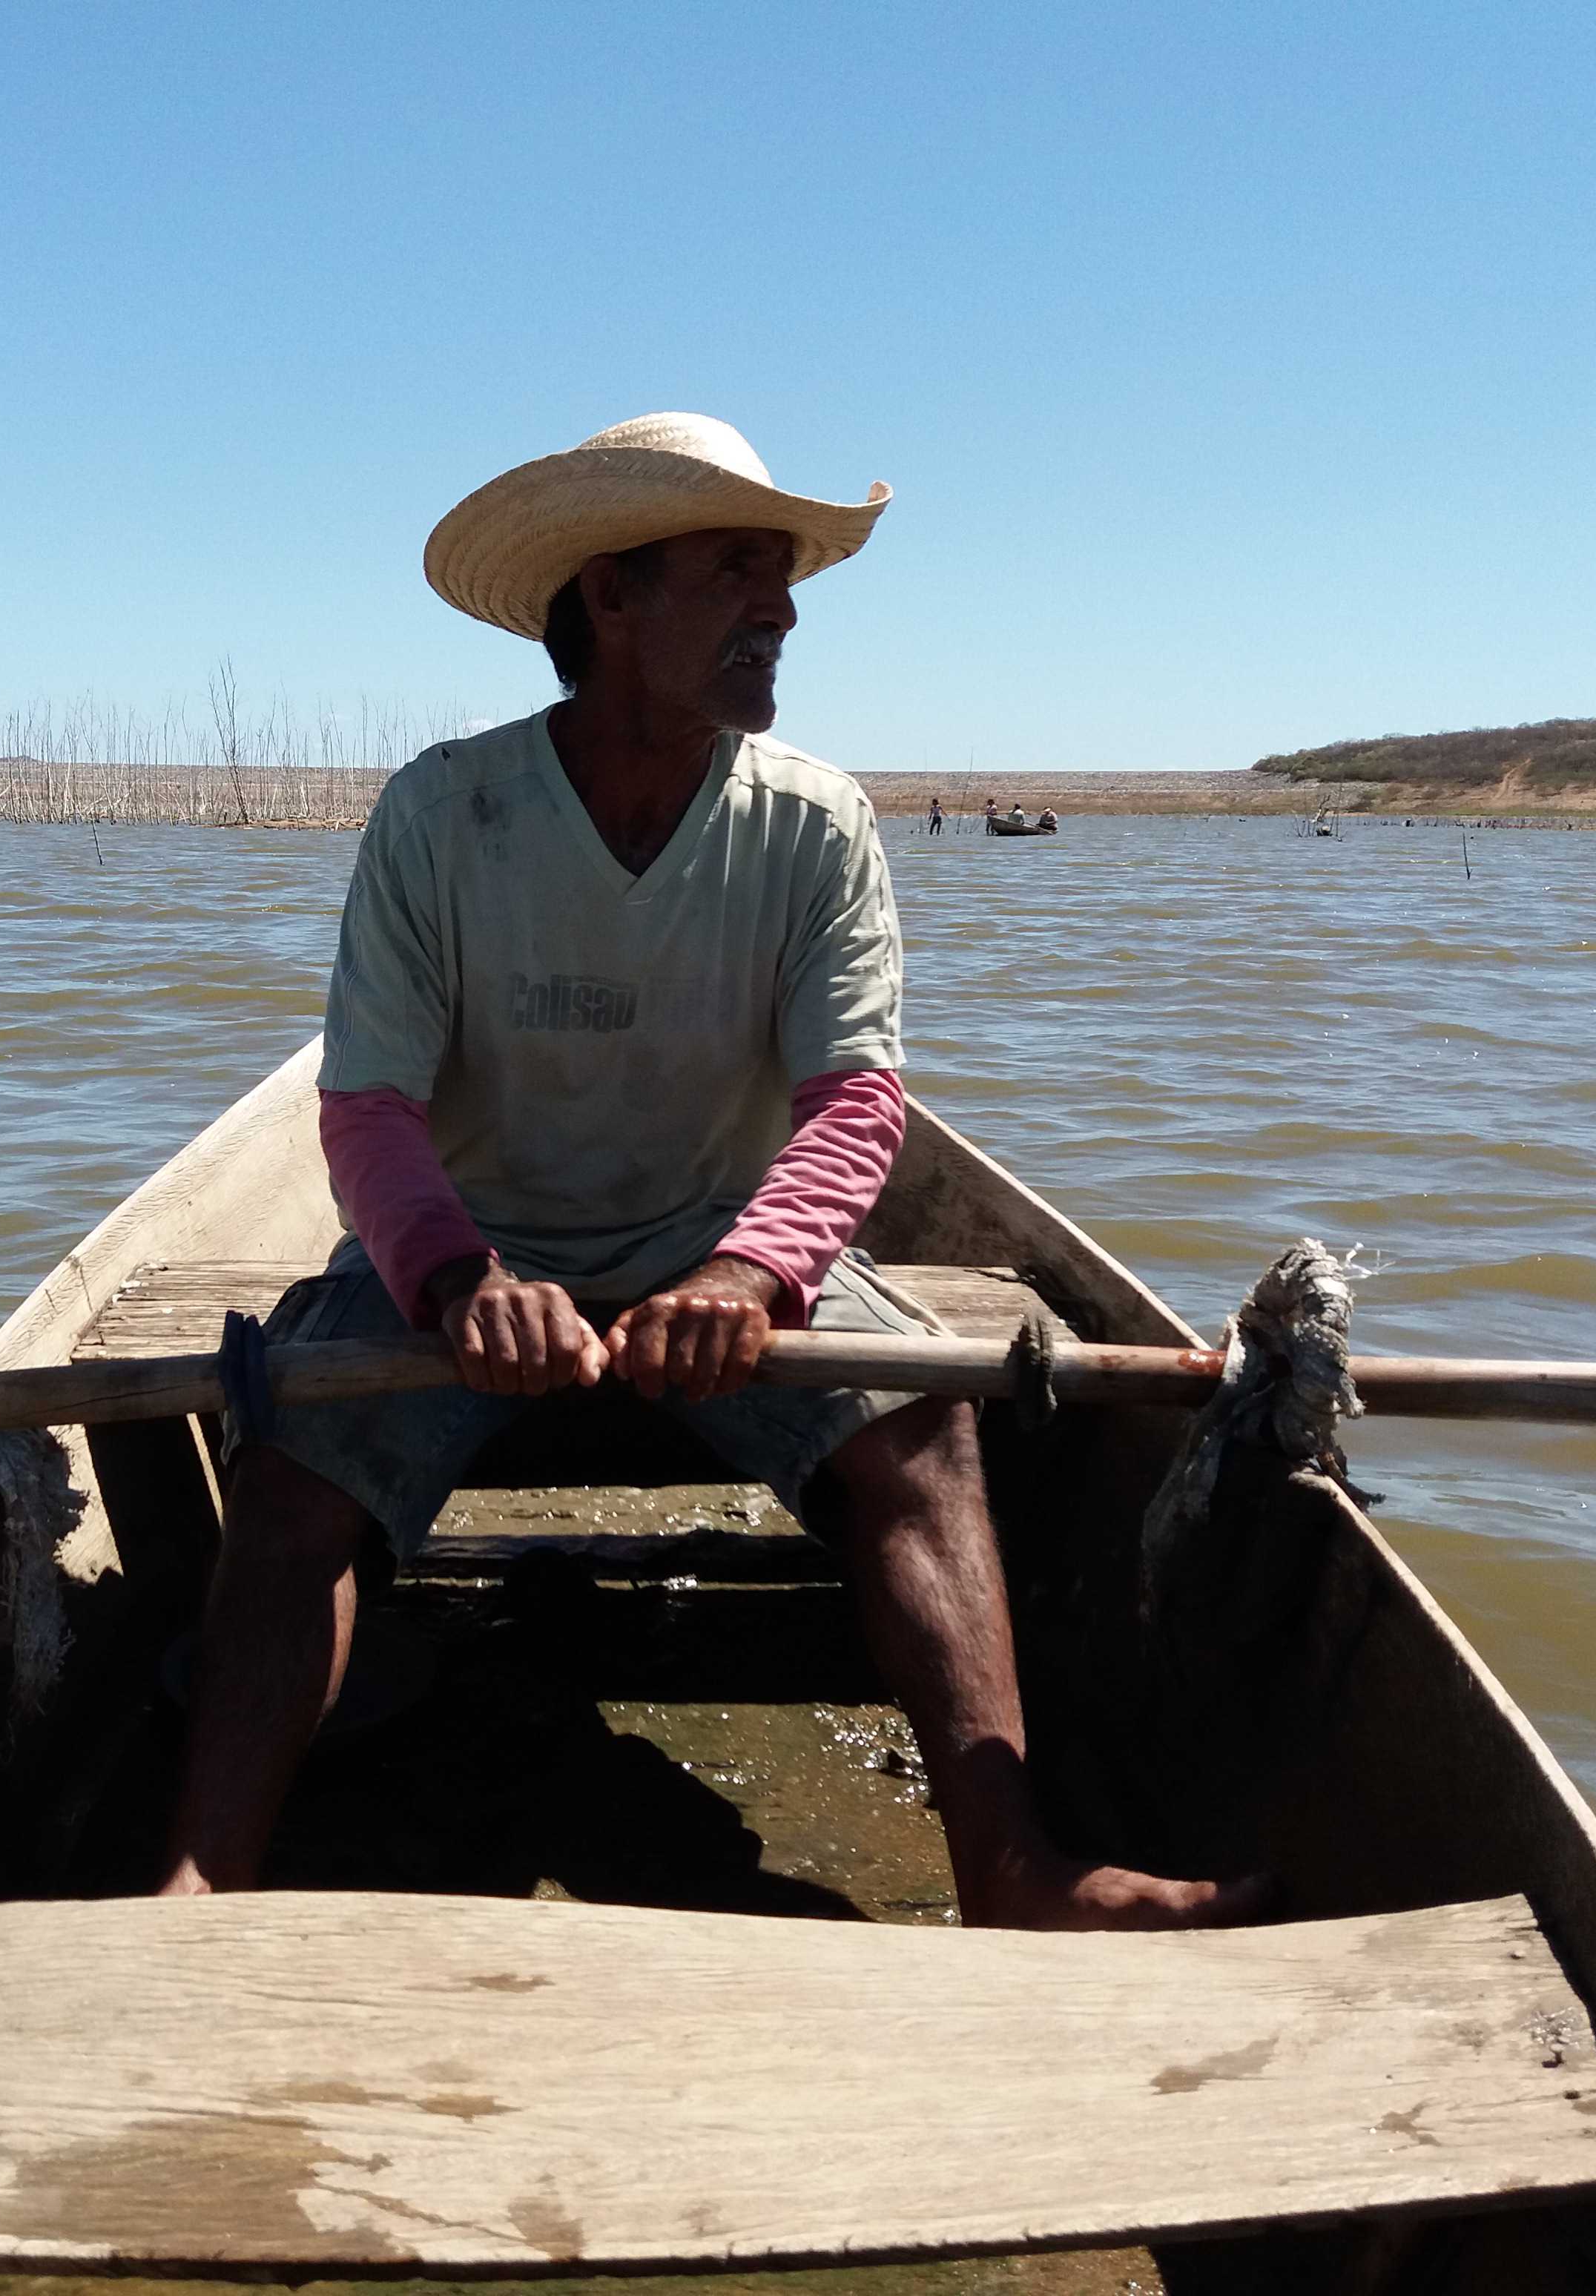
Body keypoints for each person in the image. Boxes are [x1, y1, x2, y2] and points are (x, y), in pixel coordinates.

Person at [158, 412, 1262, 1932]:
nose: (784, 610)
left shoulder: (813, 824)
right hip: (465, 1257)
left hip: (722, 1246)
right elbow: (364, 1115)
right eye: (738, 571)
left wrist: (752, 1269)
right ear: (610, 597)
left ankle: (1012, 1867)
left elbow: (857, 1107)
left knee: (926, 1430)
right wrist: (461, 1279)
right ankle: (200, 1880)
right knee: (287, 1473)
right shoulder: (445, 815)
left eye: (785, 576)